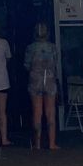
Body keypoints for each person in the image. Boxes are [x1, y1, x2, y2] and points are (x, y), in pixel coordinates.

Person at [23, 23, 62, 151]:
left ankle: (37, 143)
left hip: (35, 80)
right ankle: (52, 143)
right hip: (50, 80)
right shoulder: (53, 47)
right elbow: (56, 63)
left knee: (37, 111)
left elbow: (26, 65)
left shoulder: (30, 48)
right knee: (50, 112)